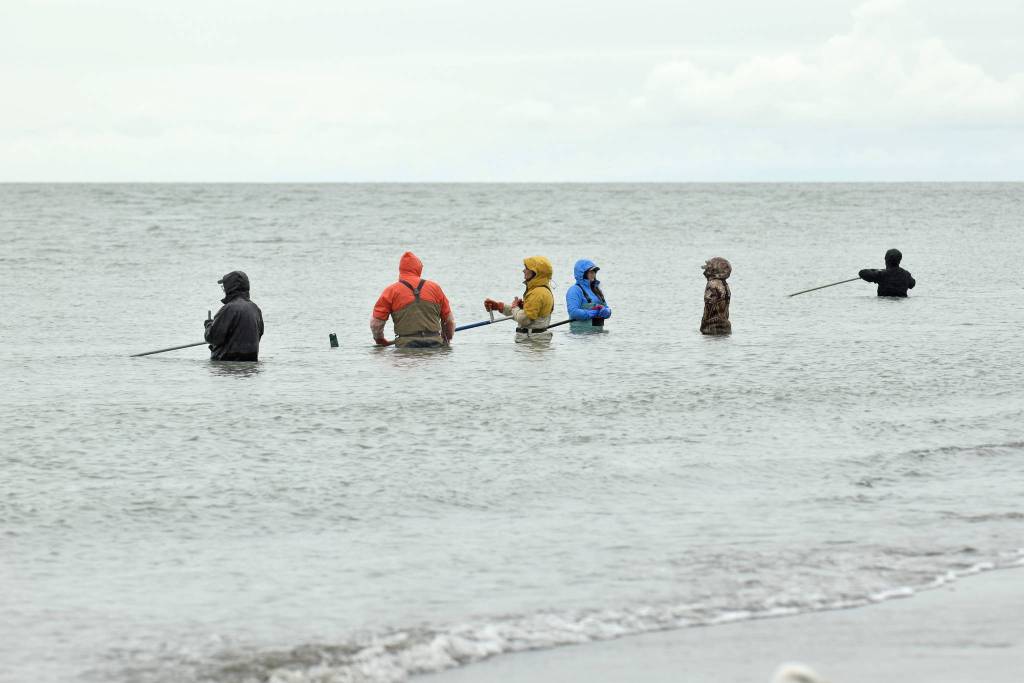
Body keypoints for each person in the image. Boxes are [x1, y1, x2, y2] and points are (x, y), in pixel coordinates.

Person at [371, 251, 455, 348]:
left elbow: (376, 324)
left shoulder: (391, 291)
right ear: (419, 269)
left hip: (405, 347)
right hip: (434, 346)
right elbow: (449, 321)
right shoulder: (435, 288)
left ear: (401, 270)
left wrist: (380, 340)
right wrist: (447, 337)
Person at [484, 256, 554, 342]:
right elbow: (525, 316)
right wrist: (500, 307)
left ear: (536, 272)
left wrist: (514, 307)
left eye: (526, 268)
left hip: (530, 343)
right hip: (536, 341)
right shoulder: (542, 290)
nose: (523, 270)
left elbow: (524, 319)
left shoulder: (537, 293)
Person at [204, 270, 264, 361]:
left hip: (227, 362)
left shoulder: (229, 308)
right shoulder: (255, 309)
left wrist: (208, 325)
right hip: (251, 363)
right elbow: (260, 333)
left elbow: (213, 337)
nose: (223, 289)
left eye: (224, 287)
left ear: (230, 288)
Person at [566, 258, 611, 331]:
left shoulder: (597, 290)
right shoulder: (574, 290)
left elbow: (606, 307)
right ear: (582, 274)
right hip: (580, 335)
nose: (593, 274)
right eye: (590, 272)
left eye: (594, 271)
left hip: (598, 334)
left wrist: (606, 311)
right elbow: (573, 312)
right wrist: (589, 313)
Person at [700, 257, 732, 335]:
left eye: (707, 270)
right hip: (724, 324)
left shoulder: (712, 284)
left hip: (711, 326)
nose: (704, 273)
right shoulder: (725, 285)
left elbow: (708, 301)